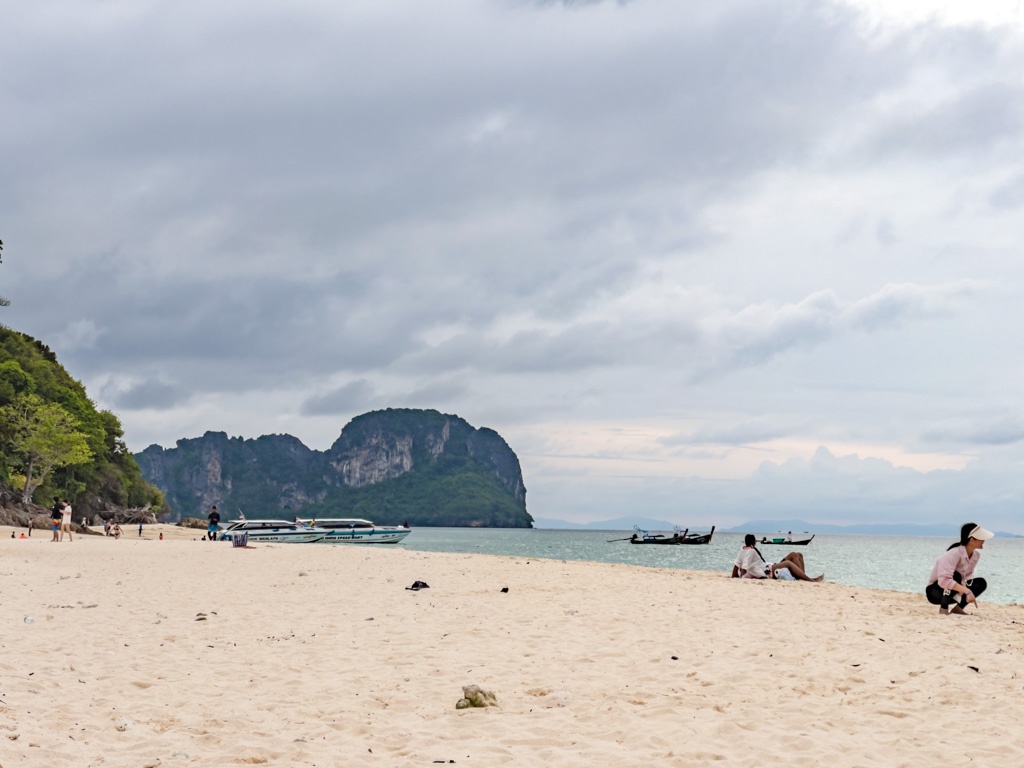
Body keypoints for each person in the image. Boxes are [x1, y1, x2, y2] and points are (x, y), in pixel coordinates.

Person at [926, 522, 992, 615]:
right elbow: (944, 580)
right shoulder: (953, 553)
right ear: (972, 540)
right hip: (935, 592)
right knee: (955, 576)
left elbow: (967, 578)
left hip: (954, 593)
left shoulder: (976, 555)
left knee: (981, 583)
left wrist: (963, 590)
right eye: (981, 538)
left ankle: (958, 609)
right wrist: (967, 591)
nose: (984, 540)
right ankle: (943, 609)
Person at [731, 534, 824, 582]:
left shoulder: (742, 550)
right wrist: (742, 578)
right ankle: (809, 580)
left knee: (797, 554)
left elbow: (736, 564)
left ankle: (803, 577)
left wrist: (733, 576)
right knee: (789, 563)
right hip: (768, 570)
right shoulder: (751, 551)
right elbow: (744, 567)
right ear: (753, 541)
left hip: (769, 565)